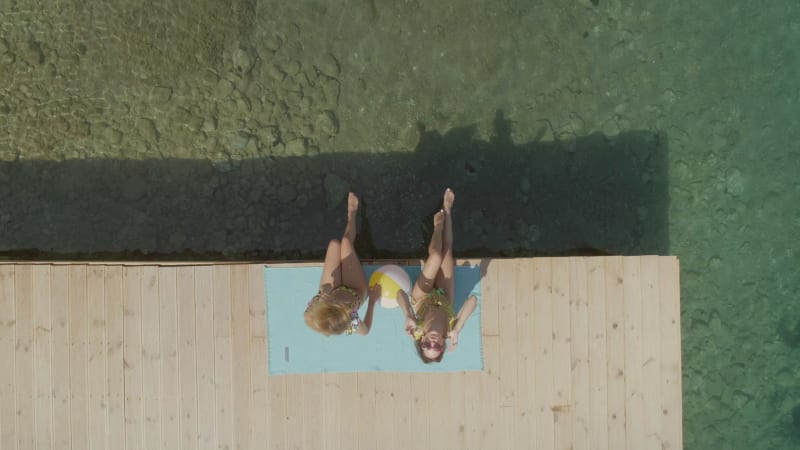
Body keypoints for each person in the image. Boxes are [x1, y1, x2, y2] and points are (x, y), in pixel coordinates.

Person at [397, 188, 478, 362]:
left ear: (422, 341)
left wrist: (408, 315)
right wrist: (458, 327)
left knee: (435, 256)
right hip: (444, 298)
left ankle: (438, 225)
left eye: (427, 346)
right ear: (443, 344)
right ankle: (447, 209)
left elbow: (399, 294)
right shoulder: (449, 331)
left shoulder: (417, 328)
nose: (433, 344)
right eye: (437, 347)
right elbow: (473, 300)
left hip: (422, 297)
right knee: (447, 250)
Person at [304, 192, 378, 336]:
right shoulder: (351, 318)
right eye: (340, 306)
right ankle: (352, 214)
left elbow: (309, 313)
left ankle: (351, 221)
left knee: (334, 244)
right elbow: (365, 331)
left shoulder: (313, 316)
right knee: (345, 242)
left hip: (333, 290)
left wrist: (324, 294)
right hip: (355, 290)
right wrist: (372, 302)